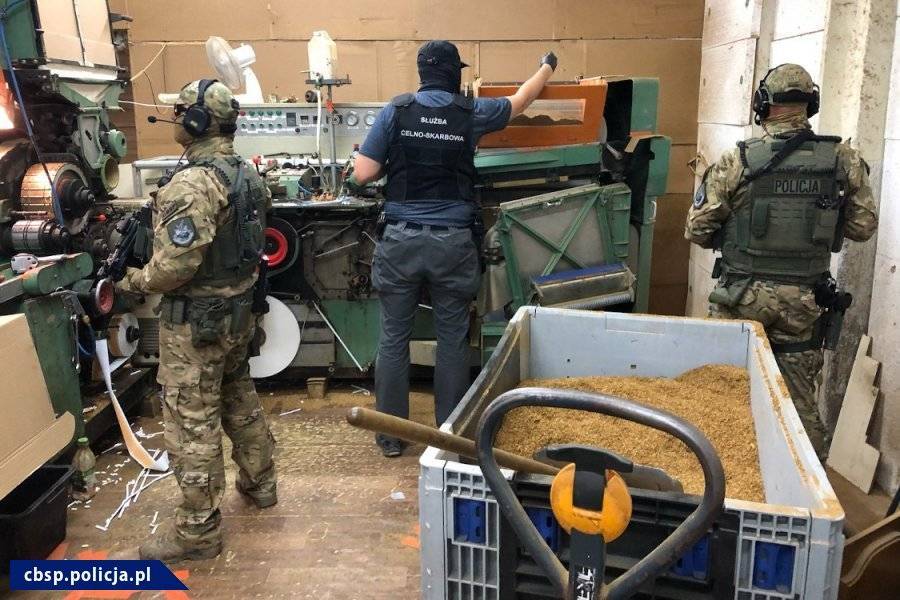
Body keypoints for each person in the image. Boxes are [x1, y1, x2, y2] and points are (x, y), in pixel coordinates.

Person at [350, 40, 557, 457]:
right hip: (453, 243)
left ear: (422, 72)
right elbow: (521, 101)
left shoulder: (396, 111)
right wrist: (547, 67)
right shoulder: (471, 112)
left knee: (393, 338)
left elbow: (363, 173)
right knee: (452, 340)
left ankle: (391, 436)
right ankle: (450, 436)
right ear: (453, 74)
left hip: (401, 241)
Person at [116, 79, 277, 561]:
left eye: (181, 113)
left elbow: (175, 267)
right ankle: (261, 484)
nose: (177, 121)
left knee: (192, 421)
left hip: (196, 325)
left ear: (196, 121)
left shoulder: (191, 184)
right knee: (238, 396)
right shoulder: (245, 173)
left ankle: (197, 532)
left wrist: (132, 281)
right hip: (238, 314)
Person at [685, 63, 878, 459]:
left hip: (740, 297)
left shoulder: (737, 160)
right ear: (811, 104)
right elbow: (862, 228)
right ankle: (807, 481)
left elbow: (697, 229)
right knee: (798, 406)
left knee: (720, 397)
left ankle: (719, 472)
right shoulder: (843, 160)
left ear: (762, 104)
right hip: (803, 302)